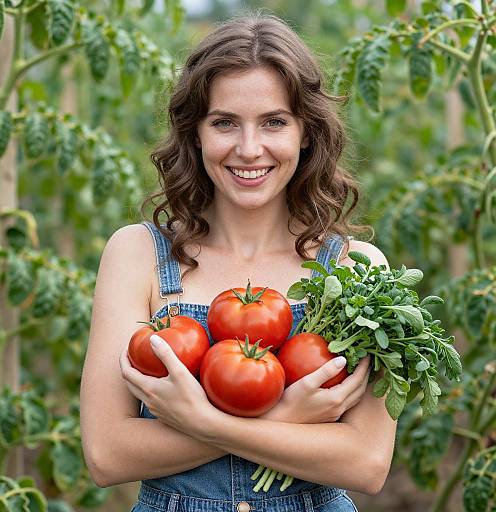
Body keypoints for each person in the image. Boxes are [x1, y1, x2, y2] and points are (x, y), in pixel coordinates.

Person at [80, 11, 397, 512]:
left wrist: (202, 421)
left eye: (274, 122)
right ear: (197, 133)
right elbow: (107, 454)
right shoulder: (137, 254)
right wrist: (285, 417)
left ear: (306, 132)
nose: (249, 150)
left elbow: (366, 462)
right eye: (224, 123)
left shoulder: (358, 269)